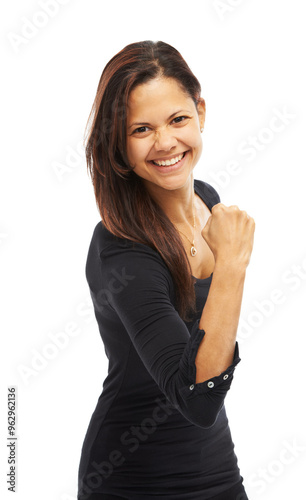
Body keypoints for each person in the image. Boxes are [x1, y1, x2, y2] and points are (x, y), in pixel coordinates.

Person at [77, 40, 255, 500]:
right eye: (141, 129)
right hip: (131, 479)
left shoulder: (207, 201)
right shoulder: (122, 244)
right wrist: (232, 266)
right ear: (118, 138)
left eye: (178, 119)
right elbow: (197, 396)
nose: (166, 143)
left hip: (216, 467)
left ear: (200, 111)